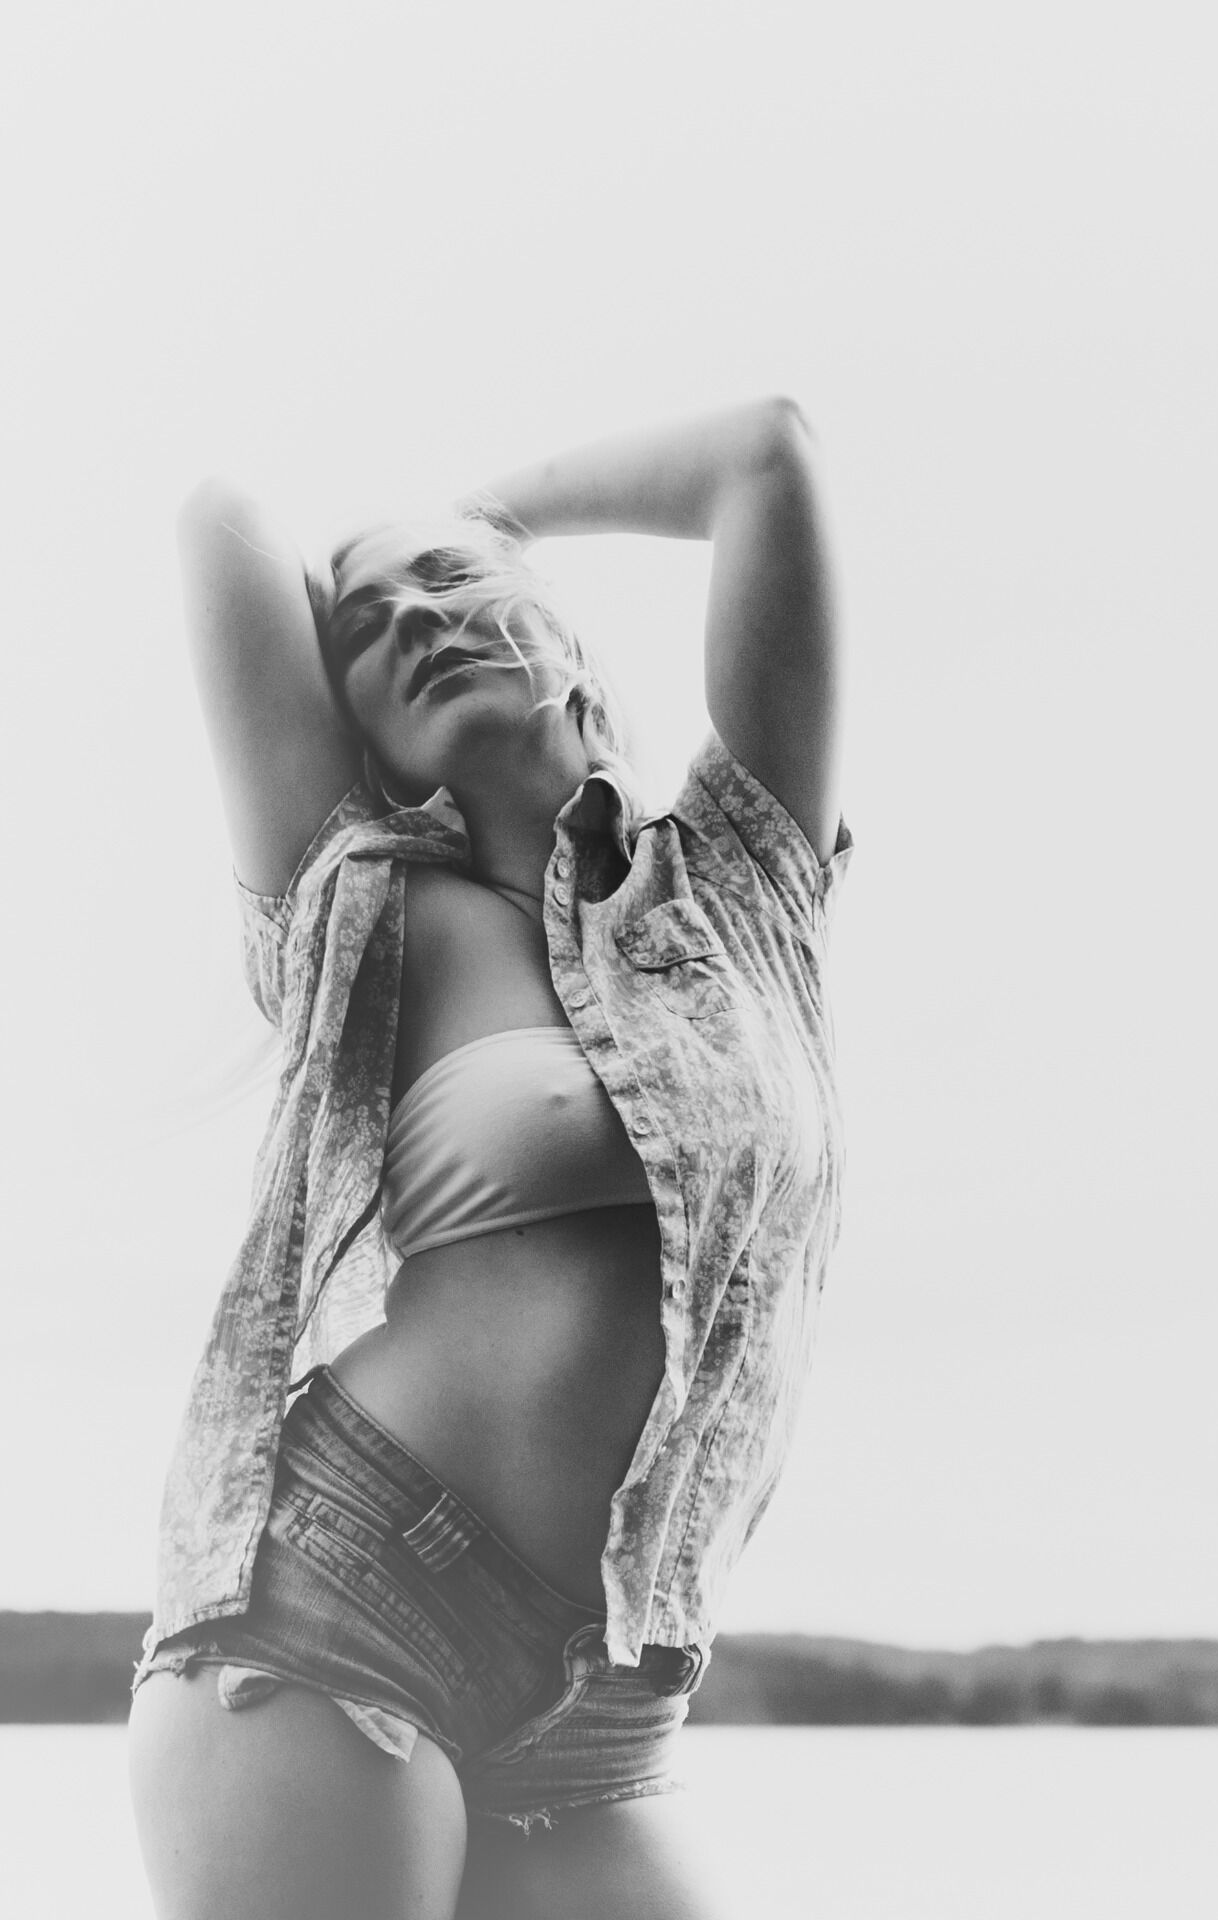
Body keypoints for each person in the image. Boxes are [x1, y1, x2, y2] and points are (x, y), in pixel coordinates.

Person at [126, 399, 850, 1919]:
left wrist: (490, 525)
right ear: (358, 734)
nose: (414, 620)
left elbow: (766, 454)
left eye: (451, 593)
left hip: (604, 1695)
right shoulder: (363, 912)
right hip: (343, 1602)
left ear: (566, 644)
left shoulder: (742, 891)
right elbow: (220, 524)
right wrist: (436, 574)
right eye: (369, 628)